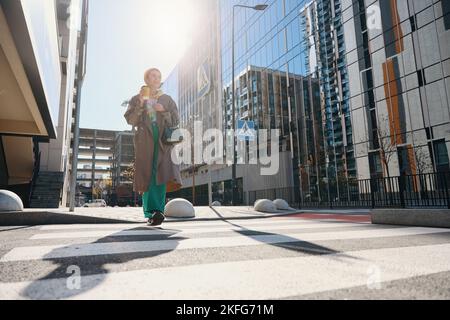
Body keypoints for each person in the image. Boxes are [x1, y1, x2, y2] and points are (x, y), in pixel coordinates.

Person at [124, 68, 182, 226]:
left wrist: (164, 111)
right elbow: (131, 120)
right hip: (145, 141)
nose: (156, 79)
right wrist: (141, 105)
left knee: (160, 174)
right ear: (147, 79)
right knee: (148, 174)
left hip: (163, 141)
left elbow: (176, 119)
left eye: (158, 76)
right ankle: (150, 212)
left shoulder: (166, 99)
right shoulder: (137, 98)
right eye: (153, 76)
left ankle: (158, 211)